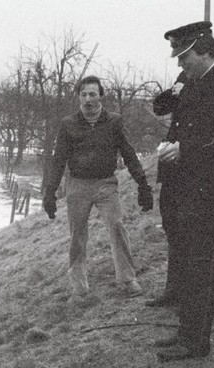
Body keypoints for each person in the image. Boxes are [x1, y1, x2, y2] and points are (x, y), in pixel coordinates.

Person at [152, 21, 214, 362]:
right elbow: (185, 123)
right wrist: (174, 146)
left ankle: (196, 342)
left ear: (204, 51)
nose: (179, 64)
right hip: (190, 190)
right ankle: (186, 332)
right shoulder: (196, 82)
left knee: (204, 268)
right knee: (191, 266)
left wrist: (184, 150)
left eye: (184, 57)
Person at [43, 75, 155, 297]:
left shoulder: (114, 121)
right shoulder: (68, 124)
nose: (88, 99)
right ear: (78, 98)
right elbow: (58, 161)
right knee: (77, 235)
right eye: (83, 95)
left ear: (101, 95)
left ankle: (127, 279)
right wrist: (50, 192)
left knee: (116, 226)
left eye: (92, 94)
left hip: (106, 184)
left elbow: (129, 153)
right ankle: (78, 284)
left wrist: (143, 184)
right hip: (77, 185)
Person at [145, 71, 188, 308]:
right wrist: (175, 90)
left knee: (187, 235)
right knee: (172, 230)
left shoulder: (213, 85)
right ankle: (173, 290)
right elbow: (160, 107)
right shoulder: (186, 76)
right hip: (172, 170)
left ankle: (185, 295)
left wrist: (188, 92)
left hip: (190, 171)